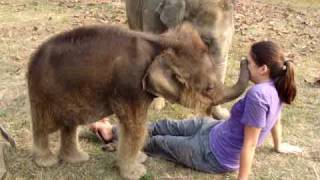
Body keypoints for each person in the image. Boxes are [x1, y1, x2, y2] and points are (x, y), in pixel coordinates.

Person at [89, 40, 302, 179]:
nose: (245, 65)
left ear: (263, 69)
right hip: (215, 130)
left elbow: (251, 143)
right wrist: (279, 145)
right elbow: (275, 118)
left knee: (160, 142)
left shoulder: (259, 95)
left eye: (249, 62)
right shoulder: (277, 85)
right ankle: (115, 131)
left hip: (213, 154)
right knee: (165, 125)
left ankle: (110, 135)